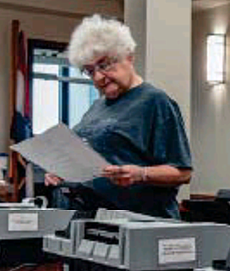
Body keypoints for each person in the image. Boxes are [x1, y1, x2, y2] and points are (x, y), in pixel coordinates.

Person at [46, 15, 192, 219]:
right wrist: (63, 171)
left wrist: (140, 174)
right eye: (90, 71)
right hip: (94, 218)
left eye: (104, 65)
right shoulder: (97, 107)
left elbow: (183, 172)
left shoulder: (154, 102)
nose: (98, 77)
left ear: (128, 57)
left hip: (142, 221)